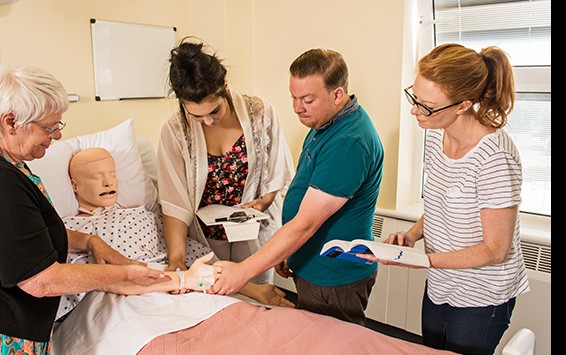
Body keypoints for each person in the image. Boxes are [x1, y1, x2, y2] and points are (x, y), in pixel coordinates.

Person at [0, 65, 171, 354]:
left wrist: (90, 241)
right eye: (49, 127)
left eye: (58, 126)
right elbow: (41, 281)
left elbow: (26, 233)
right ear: (11, 121)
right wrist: (126, 274)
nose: (56, 136)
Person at [359, 43, 530, 355]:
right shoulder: (439, 134)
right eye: (415, 97)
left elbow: (495, 250)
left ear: (463, 105)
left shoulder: (495, 158)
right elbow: (440, 204)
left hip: (482, 294)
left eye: (426, 106)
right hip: (442, 282)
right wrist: (412, 235)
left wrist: (423, 261)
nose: (415, 111)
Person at [212, 48, 385, 326]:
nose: (296, 107)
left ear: (337, 94)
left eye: (307, 99)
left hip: (333, 277)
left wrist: (242, 272)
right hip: (312, 266)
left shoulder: (348, 142)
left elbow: (305, 224)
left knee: (332, 345)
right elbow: (307, 197)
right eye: (293, 96)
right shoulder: (325, 123)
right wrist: (291, 252)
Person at [56, 147, 293, 320]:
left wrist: (242, 284)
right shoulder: (71, 230)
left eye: (112, 175)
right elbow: (80, 277)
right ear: (75, 186)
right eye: (98, 177)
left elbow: (190, 253)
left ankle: (256, 293)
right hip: (123, 296)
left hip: (182, 285)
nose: (108, 182)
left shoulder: (143, 214)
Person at [157, 37, 295, 286]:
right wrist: (176, 259)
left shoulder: (260, 113)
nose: (208, 121)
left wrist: (264, 202)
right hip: (205, 241)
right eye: (197, 116)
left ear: (224, 85)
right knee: (219, 306)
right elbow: (174, 202)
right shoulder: (176, 132)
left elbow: (279, 172)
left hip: (253, 236)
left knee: (259, 303)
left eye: (214, 111)